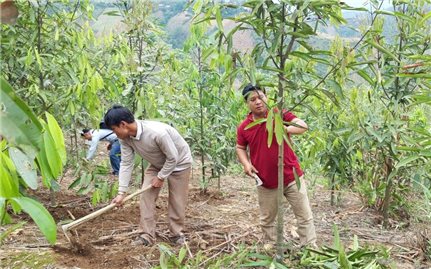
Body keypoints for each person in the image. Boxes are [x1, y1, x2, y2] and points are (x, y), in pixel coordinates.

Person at [236, 84, 317, 248]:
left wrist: (285, 128)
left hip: (292, 176)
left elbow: (303, 125)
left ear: (267, 97)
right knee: (267, 218)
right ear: (247, 103)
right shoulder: (244, 127)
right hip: (265, 181)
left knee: (304, 215)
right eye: (253, 99)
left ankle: (309, 247)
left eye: (261, 97)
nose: (258, 102)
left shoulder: (279, 114)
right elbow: (240, 147)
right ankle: (271, 246)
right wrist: (246, 164)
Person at [105, 105, 192, 246]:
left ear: (123, 124)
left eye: (114, 129)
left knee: (177, 199)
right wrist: (121, 192)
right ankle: (146, 235)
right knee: (146, 196)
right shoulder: (125, 138)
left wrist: (161, 177)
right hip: (157, 164)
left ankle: (176, 234)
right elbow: (126, 163)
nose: (115, 134)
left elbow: (173, 158)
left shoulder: (157, 133)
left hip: (179, 163)